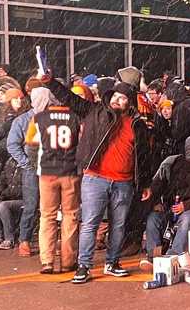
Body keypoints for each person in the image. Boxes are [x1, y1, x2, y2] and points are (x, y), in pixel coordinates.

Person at [39, 74, 154, 284]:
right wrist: (49, 81)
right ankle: (84, 266)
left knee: (118, 225)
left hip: (124, 182)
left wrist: (145, 183)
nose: (118, 101)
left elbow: (144, 156)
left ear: (130, 102)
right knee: (90, 223)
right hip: (95, 178)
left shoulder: (137, 124)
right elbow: (69, 98)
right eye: (116, 97)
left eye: (123, 98)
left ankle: (112, 262)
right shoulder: (94, 111)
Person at [31, 92, 83, 274]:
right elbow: (81, 142)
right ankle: (68, 261)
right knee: (70, 216)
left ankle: (47, 261)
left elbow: (31, 140)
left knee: (47, 217)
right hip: (70, 171)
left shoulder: (39, 118)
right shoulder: (76, 117)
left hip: (47, 172)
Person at [144, 135, 190, 257]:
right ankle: (154, 257)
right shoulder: (173, 164)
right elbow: (157, 184)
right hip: (170, 207)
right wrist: (156, 202)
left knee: (187, 219)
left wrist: (186, 205)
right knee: (153, 219)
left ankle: (171, 257)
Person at [6, 85, 52, 257]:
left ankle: (43, 241)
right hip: (35, 169)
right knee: (32, 206)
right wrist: (28, 164)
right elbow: (12, 145)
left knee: (46, 207)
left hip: (49, 167)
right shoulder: (23, 121)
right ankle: (24, 240)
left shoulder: (51, 118)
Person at [0, 154, 24, 250]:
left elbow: (21, 189)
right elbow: (2, 180)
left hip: (24, 198)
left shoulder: (28, 162)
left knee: (3, 206)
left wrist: (4, 194)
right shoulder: (10, 161)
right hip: (8, 196)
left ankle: (9, 239)